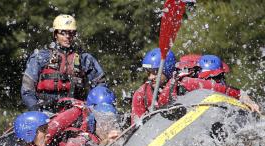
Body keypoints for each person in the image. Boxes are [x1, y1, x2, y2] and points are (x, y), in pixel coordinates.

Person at [132, 49, 260, 123]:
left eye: (155, 72)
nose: (150, 77)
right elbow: (136, 127)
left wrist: (248, 101)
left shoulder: (185, 83)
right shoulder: (140, 95)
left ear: (166, 69)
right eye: (148, 73)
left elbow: (229, 91)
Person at [21, 14, 105, 112]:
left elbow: (101, 87)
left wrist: (96, 106)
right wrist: (34, 108)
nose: (67, 36)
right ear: (55, 34)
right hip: (45, 111)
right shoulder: (40, 57)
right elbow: (27, 89)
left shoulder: (85, 58)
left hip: (77, 111)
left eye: (71, 33)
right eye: (63, 33)